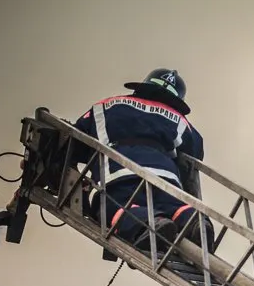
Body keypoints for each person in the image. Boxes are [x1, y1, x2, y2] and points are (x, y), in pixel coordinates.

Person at [71, 67, 214, 256]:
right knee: (171, 205)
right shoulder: (181, 120)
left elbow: (76, 139)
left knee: (111, 205)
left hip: (120, 171)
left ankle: (150, 224)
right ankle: (193, 221)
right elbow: (194, 150)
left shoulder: (109, 104)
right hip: (165, 177)